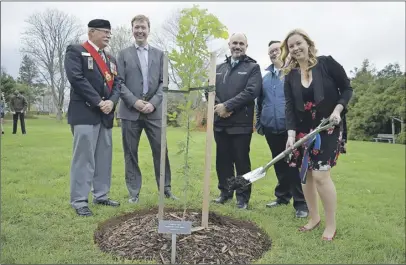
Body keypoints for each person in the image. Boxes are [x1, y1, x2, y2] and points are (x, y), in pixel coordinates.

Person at [280, 29, 353, 240]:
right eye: (291, 46)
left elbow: (347, 89)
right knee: (305, 175)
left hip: (328, 126)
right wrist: (291, 135)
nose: (295, 48)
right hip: (303, 131)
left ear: (308, 43)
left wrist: (338, 110)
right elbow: (289, 107)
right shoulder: (291, 75)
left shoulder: (327, 63)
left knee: (321, 175)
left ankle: (331, 225)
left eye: (298, 43)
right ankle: (314, 218)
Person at [116, 14, 177, 203]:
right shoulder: (123, 54)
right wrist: (134, 102)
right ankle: (134, 193)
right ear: (132, 30)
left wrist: (153, 103)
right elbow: (119, 82)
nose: (140, 31)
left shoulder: (160, 55)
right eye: (136, 27)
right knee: (130, 153)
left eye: (143, 27)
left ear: (149, 30)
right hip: (129, 111)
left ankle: (165, 190)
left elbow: (163, 82)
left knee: (161, 151)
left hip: (154, 111)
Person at [64, 19, 121, 217]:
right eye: (104, 32)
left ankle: (101, 195)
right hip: (85, 113)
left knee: (104, 158)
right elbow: (76, 79)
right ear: (91, 32)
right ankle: (79, 200)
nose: (108, 35)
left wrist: (112, 102)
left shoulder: (111, 59)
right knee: (84, 158)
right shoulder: (76, 51)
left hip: (105, 115)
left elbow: (118, 84)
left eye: (109, 32)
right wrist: (99, 101)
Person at [256, 40, 308, 218]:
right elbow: (260, 103)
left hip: (291, 129)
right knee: (279, 164)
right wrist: (260, 123)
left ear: (284, 51)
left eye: (277, 50)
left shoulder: (294, 73)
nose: (273, 53)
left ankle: (301, 203)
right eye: (270, 51)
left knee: (294, 165)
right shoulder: (265, 78)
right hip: (271, 128)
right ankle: (282, 197)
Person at [211, 33, 262, 210]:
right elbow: (209, 90)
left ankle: (242, 197)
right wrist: (219, 107)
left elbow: (251, 92)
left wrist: (228, 106)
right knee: (222, 160)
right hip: (220, 123)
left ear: (246, 46)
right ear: (229, 44)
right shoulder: (219, 67)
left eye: (241, 43)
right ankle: (225, 193)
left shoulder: (253, 67)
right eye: (235, 43)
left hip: (241, 124)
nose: (237, 46)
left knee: (241, 161)